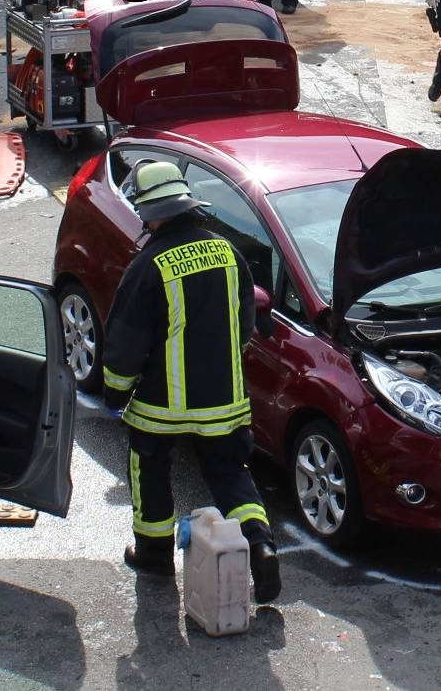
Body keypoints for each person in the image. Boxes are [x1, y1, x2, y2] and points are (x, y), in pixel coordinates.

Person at [103, 161, 281, 602]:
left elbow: (126, 343)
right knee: (230, 474)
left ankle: (155, 556)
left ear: (152, 214)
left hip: (161, 406)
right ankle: (261, 546)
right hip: (224, 399)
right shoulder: (227, 251)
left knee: (150, 471)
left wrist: (115, 391)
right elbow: (244, 326)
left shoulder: (148, 265)